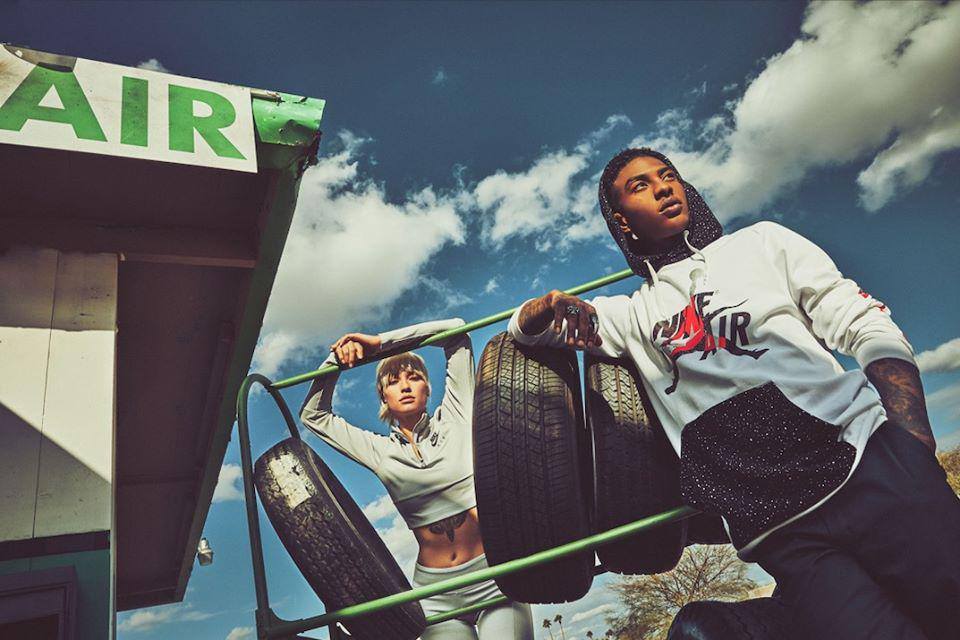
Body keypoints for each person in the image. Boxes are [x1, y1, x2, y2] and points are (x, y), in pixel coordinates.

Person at [508, 148, 960, 640]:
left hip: (870, 469)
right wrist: (547, 306)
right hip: (781, 530)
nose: (663, 187)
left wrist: (913, 438)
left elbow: (861, 320)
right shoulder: (631, 316)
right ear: (622, 222)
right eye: (640, 186)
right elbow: (528, 330)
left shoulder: (762, 243)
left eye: (668, 176)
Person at [300, 318, 534, 640]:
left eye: (414, 377)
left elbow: (456, 332)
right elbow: (313, 415)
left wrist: (379, 344)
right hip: (435, 594)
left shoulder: (458, 417)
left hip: (495, 575)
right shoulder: (378, 451)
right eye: (394, 382)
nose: (406, 386)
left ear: (427, 389)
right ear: (384, 397)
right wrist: (337, 358)